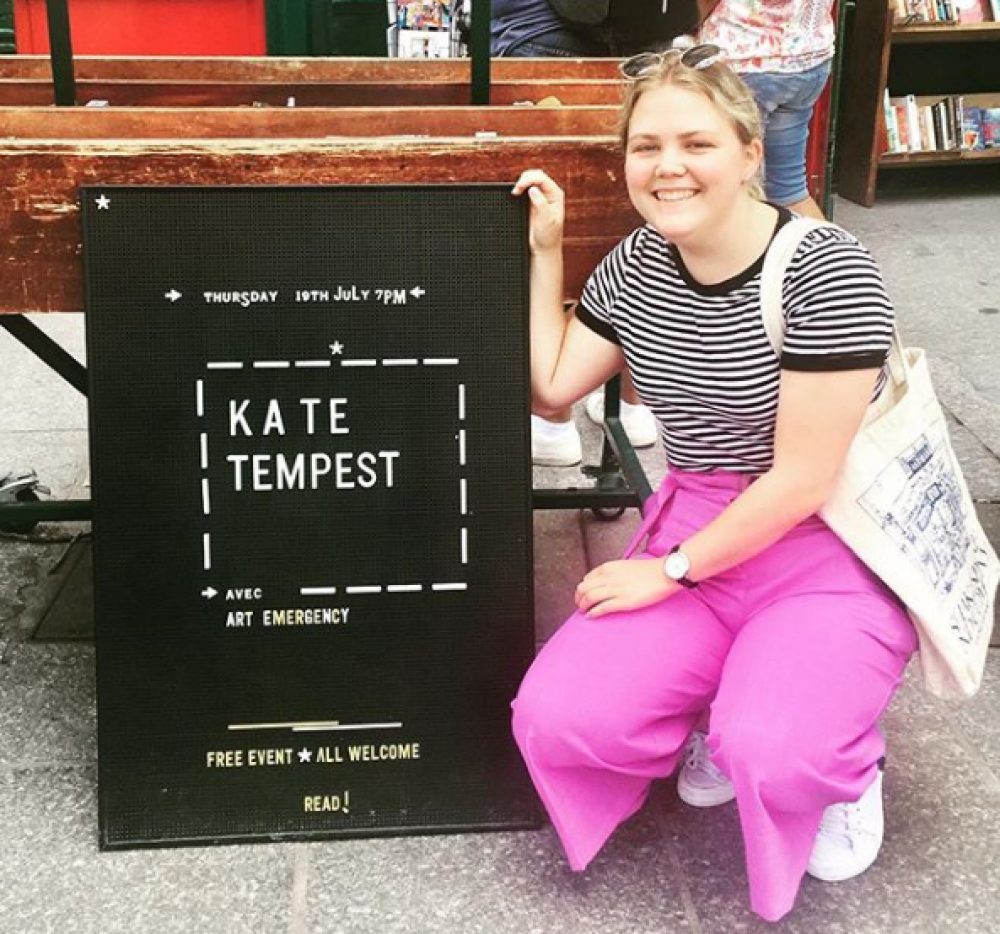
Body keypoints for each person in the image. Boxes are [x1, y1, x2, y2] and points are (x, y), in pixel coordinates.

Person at [509, 44, 916, 922]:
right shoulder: (634, 265)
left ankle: (841, 765)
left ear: (745, 150)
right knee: (560, 717)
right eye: (645, 147)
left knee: (777, 749)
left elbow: (805, 478)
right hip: (698, 513)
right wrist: (546, 253)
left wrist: (672, 569)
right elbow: (551, 385)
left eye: (695, 143)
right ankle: (722, 703)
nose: (668, 167)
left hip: (827, 539)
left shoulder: (826, 268)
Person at [492, 1, 724, 464]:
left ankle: (551, 416)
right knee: (644, 205)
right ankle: (633, 402)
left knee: (547, 201)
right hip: (650, 28)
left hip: (539, 31)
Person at [697, 0, 836, 220]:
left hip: (745, 57)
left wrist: (701, 23)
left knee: (735, 188)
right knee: (790, 189)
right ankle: (830, 252)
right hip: (810, 58)